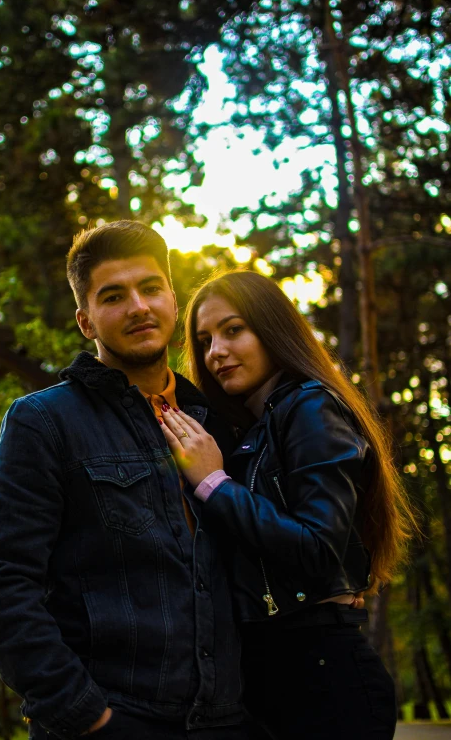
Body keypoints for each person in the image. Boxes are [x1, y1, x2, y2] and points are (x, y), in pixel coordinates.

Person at [0, 223, 267, 740]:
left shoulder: (224, 419)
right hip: (113, 719)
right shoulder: (45, 421)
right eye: (113, 296)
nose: (138, 307)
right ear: (86, 320)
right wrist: (87, 716)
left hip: (229, 721)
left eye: (151, 288)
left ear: (173, 299)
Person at [160, 270, 417, 740]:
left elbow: (319, 549)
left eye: (233, 330)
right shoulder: (250, 434)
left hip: (323, 679)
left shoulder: (311, 407)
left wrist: (213, 483)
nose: (216, 351)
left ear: (272, 329)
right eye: (205, 340)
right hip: (268, 679)